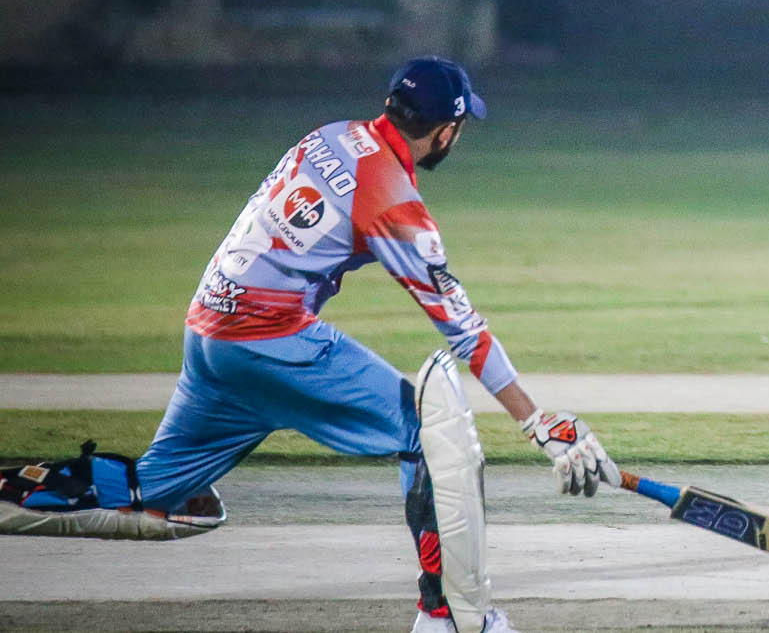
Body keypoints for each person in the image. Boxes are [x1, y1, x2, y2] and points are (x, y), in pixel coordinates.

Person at [0, 57, 615, 633]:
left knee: (155, 492)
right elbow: (461, 327)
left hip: (211, 331)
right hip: (268, 337)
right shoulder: (395, 203)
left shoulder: (333, 135)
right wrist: (537, 422)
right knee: (427, 433)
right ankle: (448, 618)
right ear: (446, 131)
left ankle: (10, 490)